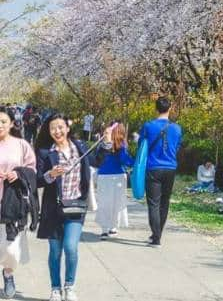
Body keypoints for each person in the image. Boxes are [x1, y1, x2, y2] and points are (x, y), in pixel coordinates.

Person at [36, 114, 112, 301]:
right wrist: (50, 174)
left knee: (70, 247)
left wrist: (107, 143)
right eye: (53, 128)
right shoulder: (45, 152)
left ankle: (69, 286)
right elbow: (37, 180)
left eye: (60, 127)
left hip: (75, 207)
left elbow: (97, 161)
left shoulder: (81, 147)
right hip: (53, 209)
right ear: (49, 131)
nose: (57, 131)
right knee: (55, 251)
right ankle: (55, 288)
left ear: (67, 128)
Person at [0, 108, 36, 298]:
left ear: (12, 123)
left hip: (14, 201)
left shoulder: (21, 145)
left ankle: (8, 273)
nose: (0, 125)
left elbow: (32, 169)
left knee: (11, 247)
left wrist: (18, 173)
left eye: (3, 121)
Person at [138, 96, 183, 247]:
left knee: (153, 203)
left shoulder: (148, 126)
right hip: (170, 167)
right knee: (165, 202)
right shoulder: (177, 128)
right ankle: (157, 234)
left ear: (156, 108)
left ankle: (156, 237)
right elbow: (177, 146)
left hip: (153, 167)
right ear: (170, 108)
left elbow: (141, 145)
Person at [96, 122, 134, 239]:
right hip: (118, 176)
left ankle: (104, 229)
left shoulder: (102, 144)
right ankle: (113, 227)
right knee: (117, 203)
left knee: (104, 203)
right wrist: (136, 163)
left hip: (103, 176)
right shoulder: (121, 145)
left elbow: (97, 159)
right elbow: (125, 160)